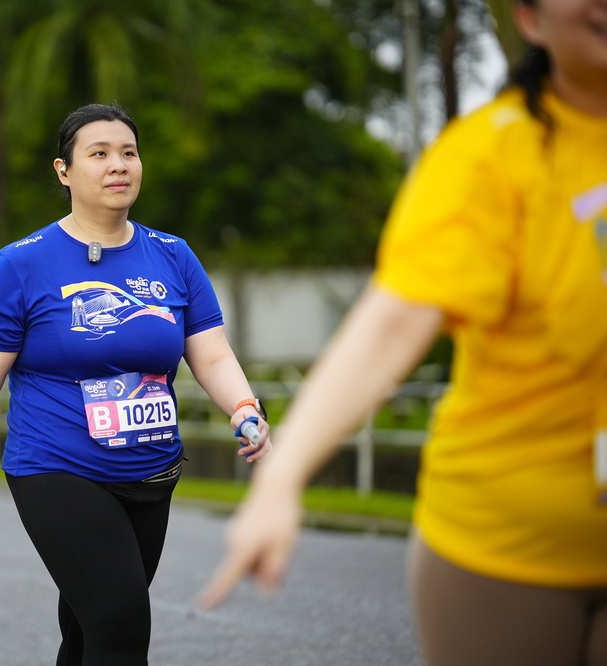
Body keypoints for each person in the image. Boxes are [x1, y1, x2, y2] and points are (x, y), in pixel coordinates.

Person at [198, 0, 607, 663]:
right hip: (505, 551)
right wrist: (281, 479)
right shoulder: (489, 155)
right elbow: (388, 327)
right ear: (530, 20)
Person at [0, 102, 273, 664]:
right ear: (64, 171)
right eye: (100, 153)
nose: (119, 165)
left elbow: (211, 354)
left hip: (152, 471)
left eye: (129, 153)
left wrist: (244, 407)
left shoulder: (173, 256)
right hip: (57, 468)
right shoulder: (19, 266)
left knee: (89, 631)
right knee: (122, 624)